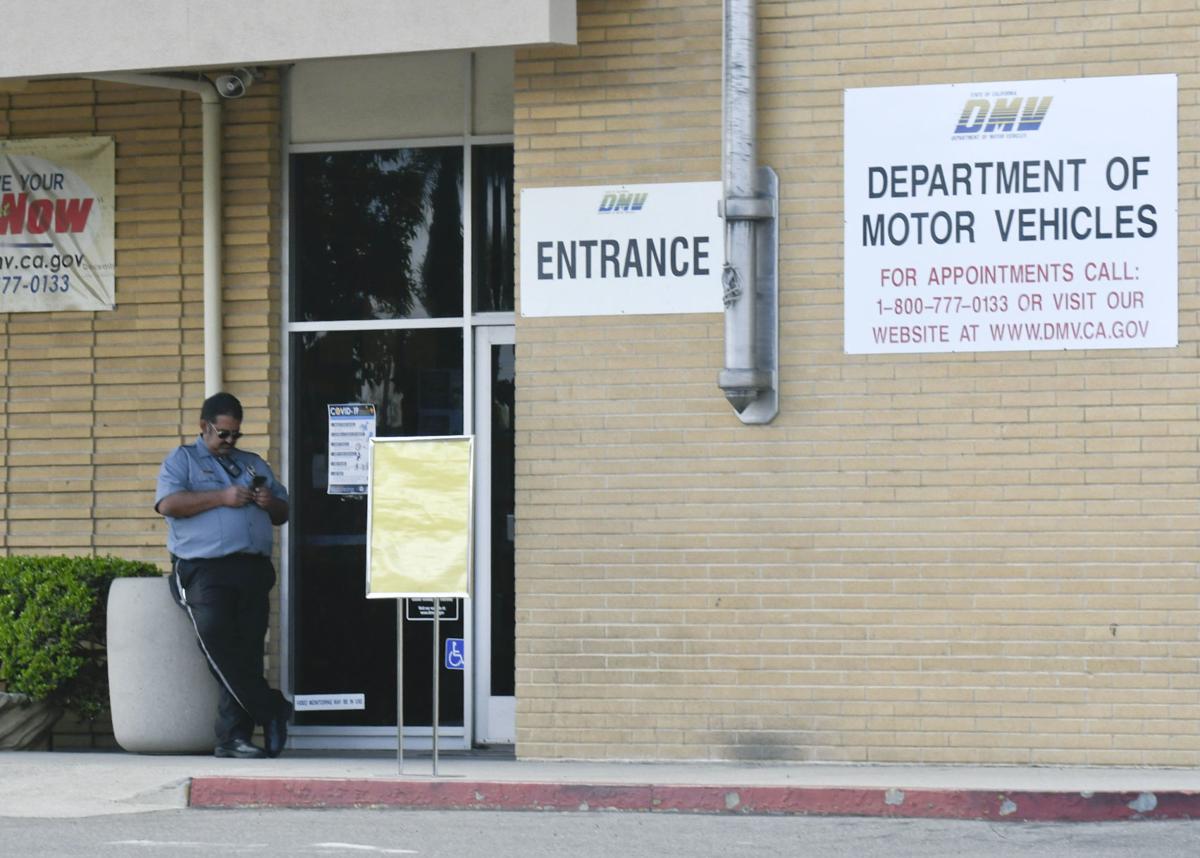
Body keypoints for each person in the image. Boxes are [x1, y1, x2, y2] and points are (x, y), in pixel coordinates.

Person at [155, 392, 293, 759]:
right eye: (223, 434)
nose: (229, 441)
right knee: (216, 641)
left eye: (236, 435)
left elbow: (283, 512)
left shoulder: (253, 464)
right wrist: (222, 497)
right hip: (204, 568)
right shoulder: (182, 460)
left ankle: (234, 738)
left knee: (246, 651)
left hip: (251, 568)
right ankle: (271, 708)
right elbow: (168, 504)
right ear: (204, 426)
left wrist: (270, 503)